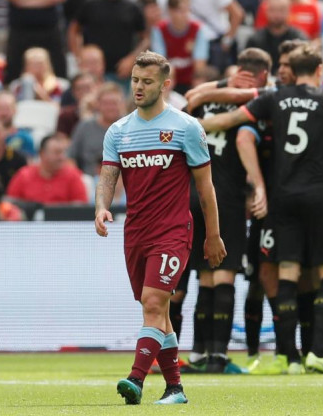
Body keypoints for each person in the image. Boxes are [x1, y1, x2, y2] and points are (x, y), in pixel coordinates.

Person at [199, 45, 323, 374]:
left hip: (284, 197)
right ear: (319, 69)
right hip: (322, 196)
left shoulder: (274, 97)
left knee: (287, 273)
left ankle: (290, 358)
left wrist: (193, 119)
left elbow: (231, 119)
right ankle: (316, 351)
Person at [95, 51, 225, 405]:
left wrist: (212, 235)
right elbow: (109, 174)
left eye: (147, 81)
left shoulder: (185, 127)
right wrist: (102, 207)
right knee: (157, 312)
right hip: (135, 232)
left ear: (165, 85)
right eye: (135, 80)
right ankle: (175, 389)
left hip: (172, 231)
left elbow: (205, 189)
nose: (138, 87)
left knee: (154, 303)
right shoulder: (119, 131)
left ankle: (135, 379)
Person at [185, 48, 271, 374]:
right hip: (228, 198)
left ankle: (198, 355)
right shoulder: (256, 102)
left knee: (205, 278)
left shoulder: (205, 99)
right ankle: (218, 357)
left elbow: (190, 97)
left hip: (195, 195)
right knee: (223, 276)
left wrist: (222, 83)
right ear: (263, 74)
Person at [67, 0, 148, 86]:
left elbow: (145, 39)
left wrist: (133, 58)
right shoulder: (89, 5)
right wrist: (78, 56)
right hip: (93, 73)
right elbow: (73, 30)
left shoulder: (133, 7)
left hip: (122, 73)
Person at [150, 0, 210, 94]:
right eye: (181, 10)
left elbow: (200, 65)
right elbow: (160, 62)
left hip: (190, 81)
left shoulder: (198, 29)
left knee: (200, 78)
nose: (185, 14)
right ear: (170, 11)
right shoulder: (159, 30)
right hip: (169, 81)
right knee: (166, 71)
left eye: (187, 10)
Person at [7, 134, 86, 205]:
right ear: (42, 154)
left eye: (63, 152)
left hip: (62, 220)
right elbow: (10, 204)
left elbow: (80, 206)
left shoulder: (73, 176)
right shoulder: (24, 175)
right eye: (57, 152)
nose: (62, 157)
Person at [69, 83, 125, 176]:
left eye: (114, 103)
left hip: (124, 181)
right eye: (106, 103)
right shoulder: (85, 126)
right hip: (90, 179)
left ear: (122, 104)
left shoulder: (131, 127)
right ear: (98, 104)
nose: (110, 108)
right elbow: (70, 157)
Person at [5, 0, 66, 85]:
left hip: (49, 27)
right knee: (14, 70)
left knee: (58, 69)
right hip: (19, 28)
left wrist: (28, 3)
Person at [245, 0, 308, 74]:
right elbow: (246, 66)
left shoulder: (299, 39)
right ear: (266, 11)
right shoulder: (255, 39)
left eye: (281, 10)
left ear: (289, 11)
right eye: (273, 10)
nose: (277, 15)